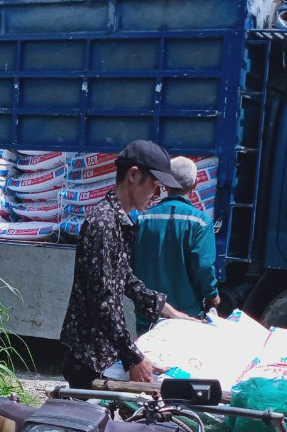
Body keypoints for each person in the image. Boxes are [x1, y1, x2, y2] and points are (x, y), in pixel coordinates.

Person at [60, 140, 197, 390]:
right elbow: (102, 300)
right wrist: (134, 357)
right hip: (88, 357)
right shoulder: (103, 223)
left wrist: (168, 311)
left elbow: (124, 278)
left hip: (105, 352)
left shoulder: (120, 221)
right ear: (134, 175)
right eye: (155, 186)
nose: (157, 196)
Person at [132, 156, 219, 334]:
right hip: (186, 316)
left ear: (164, 184)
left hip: (148, 314)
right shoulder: (201, 222)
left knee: (147, 360)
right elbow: (204, 266)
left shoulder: (141, 219)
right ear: (194, 185)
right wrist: (212, 296)